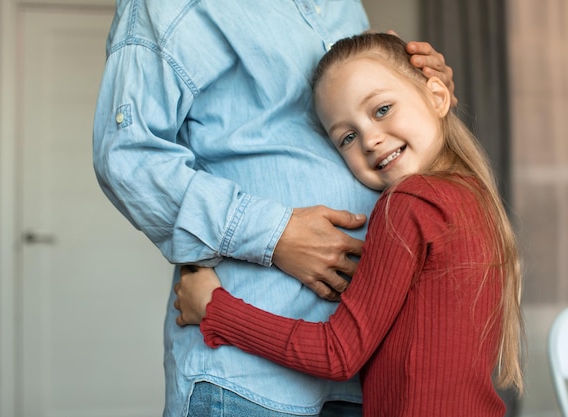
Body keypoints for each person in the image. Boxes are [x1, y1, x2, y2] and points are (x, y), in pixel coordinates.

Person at [92, 1, 456, 415]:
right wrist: (277, 234)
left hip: (365, 372)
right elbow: (128, 157)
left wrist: (420, 89)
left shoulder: (342, 7)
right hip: (249, 375)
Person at [173, 33, 524, 417]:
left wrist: (215, 309)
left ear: (438, 96)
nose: (371, 140)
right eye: (347, 137)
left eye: (382, 109)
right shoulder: (474, 196)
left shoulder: (408, 205)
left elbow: (337, 353)